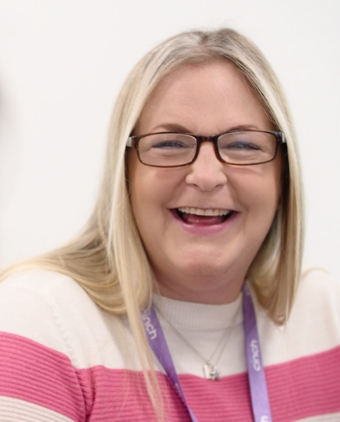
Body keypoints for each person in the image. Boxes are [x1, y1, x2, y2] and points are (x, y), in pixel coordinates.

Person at [0, 28, 339, 422]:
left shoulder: (325, 318)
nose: (207, 175)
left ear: (284, 176)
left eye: (243, 145)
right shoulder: (42, 322)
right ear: (125, 175)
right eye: (170, 144)